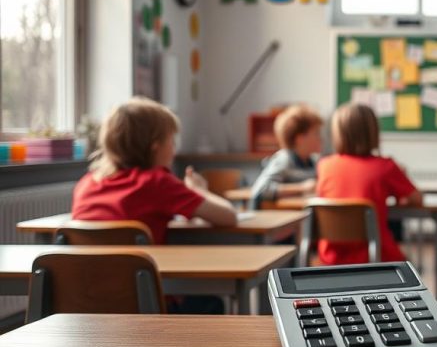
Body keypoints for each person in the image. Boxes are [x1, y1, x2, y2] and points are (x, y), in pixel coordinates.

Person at [72, 96, 238, 245]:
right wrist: (199, 191)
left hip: (81, 278)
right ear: (155, 147)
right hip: (134, 279)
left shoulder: (86, 184)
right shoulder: (157, 182)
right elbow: (228, 217)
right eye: (171, 141)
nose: (174, 150)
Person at [316, 103, 421, 265]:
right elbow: (417, 199)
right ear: (373, 133)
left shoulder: (325, 166)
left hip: (332, 257)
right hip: (376, 255)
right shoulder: (386, 167)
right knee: (409, 264)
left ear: (337, 134)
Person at [249, 104, 322, 209]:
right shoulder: (284, 159)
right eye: (316, 133)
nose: (320, 138)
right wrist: (301, 188)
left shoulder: (314, 161)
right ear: (300, 138)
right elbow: (260, 189)